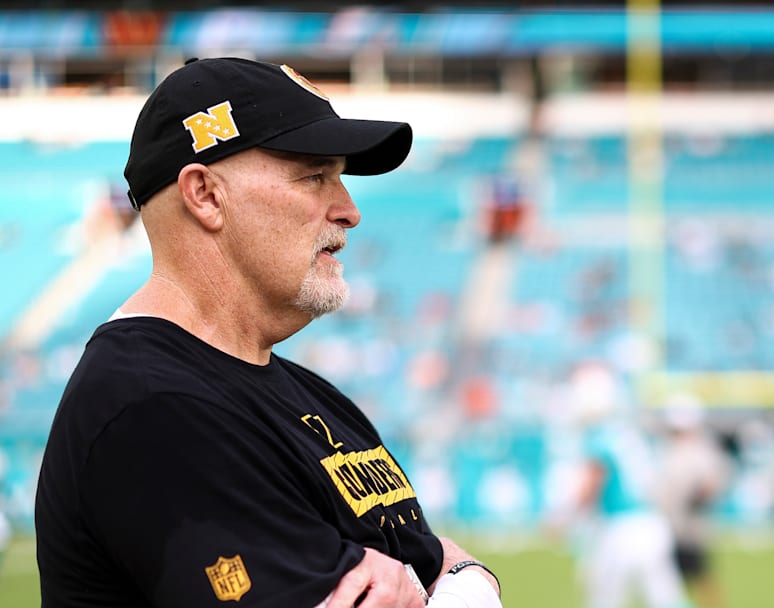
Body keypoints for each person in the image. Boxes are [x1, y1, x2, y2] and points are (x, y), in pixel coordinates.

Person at [34, 57, 502, 608]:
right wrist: (465, 586)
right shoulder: (152, 407)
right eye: (314, 176)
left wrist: (464, 574)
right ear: (206, 194)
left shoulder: (309, 394)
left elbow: (435, 562)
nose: (349, 210)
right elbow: (429, 566)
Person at [559, 361, 691, 608]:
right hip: (651, 522)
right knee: (666, 598)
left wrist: (565, 517)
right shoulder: (626, 432)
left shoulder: (599, 437)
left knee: (604, 600)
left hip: (621, 529)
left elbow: (591, 484)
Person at [655, 397, 731, 608]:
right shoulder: (673, 449)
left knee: (700, 577)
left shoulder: (700, 450)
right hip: (670, 524)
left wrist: (696, 496)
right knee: (669, 582)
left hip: (689, 526)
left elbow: (712, 484)